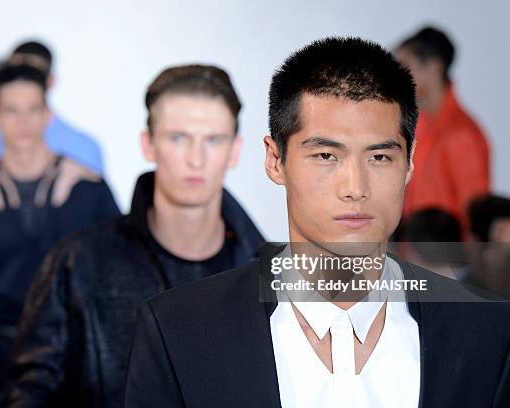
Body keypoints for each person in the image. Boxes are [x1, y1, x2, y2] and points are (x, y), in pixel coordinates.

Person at [124, 38, 510, 408]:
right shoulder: (180, 332)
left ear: (409, 163)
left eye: (379, 158)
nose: (355, 188)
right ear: (276, 161)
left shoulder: (489, 332)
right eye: (326, 156)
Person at [4, 65, 264, 407]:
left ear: (234, 150)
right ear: (148, 145)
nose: (196, 159)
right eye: (178, 138)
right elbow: (29, 393)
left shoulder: (274, 274)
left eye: (213, 140)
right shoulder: (77, 264)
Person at [0, 64, 120, 407]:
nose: (24, 122)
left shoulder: (87, 188)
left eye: (33, 109)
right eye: (12, 111)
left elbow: (116, 279)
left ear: (48, 114)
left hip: (74, 354)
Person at [396, 27, 490, 237]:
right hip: (417, 259)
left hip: (447, 264)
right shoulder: (421, 128)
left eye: (405, 66)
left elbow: (474, 219)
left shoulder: (461, 134)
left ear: (433, 68)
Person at [0, 40, 105, 175]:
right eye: (14, 73)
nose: (22, 82)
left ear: (50, 81)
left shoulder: (83, 148)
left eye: (33, 74)